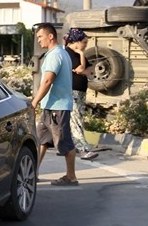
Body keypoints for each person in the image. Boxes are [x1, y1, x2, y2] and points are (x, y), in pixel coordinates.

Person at [31, 23, 79, 186]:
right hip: (50, 106)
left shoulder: (55, 55)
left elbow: (48, 80)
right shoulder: (60, 53)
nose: (38, 40)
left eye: (40, 37)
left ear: (50, 36)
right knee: (41, 140)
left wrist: (34, 101)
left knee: (64, 142)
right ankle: (33, 172)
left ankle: (71, 176)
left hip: (58, 107)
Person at [66, 28, 99, 160]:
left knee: (78, 118)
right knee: (75, 120)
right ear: (76, 41)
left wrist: (82, 59)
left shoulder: (79, 54)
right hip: (71, 90)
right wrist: (81, 57)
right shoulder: (68, 53)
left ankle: (68, 147)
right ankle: (83, 149)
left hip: (80, 91)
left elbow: (89, 69)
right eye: (84, 42)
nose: (85, 45)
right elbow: (80, 70)